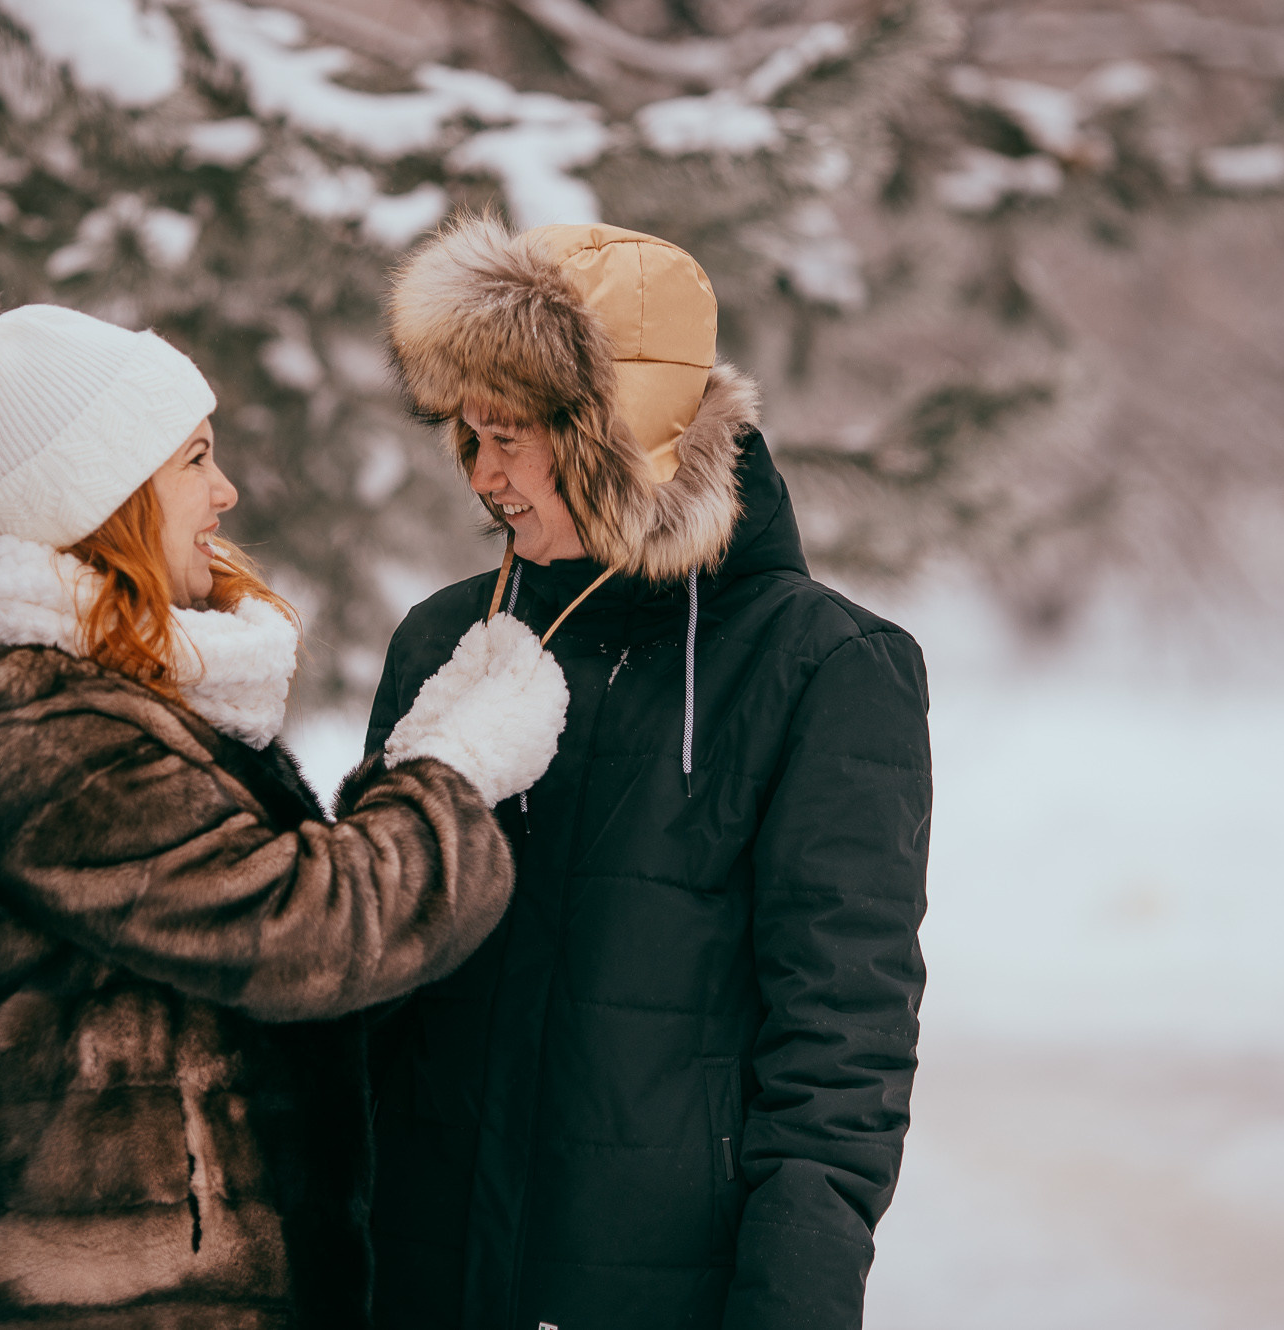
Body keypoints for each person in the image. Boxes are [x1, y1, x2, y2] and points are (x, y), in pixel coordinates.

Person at [0, 249, 570, 1328]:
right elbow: (306, 930)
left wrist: (412, 769)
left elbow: (277, 920)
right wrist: (450, 771)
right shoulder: (49, 734)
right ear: (108, 498)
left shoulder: (129, 704)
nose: (225, 492)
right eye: (194, 460)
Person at [364, 219, 932, 1329]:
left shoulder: (822, 667)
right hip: (424, 1281)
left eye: (508, 436)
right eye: (466, 435)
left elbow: (840, 1045)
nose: (482, 476)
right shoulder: (446, 638)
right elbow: (368, 985)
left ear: (614, 438)